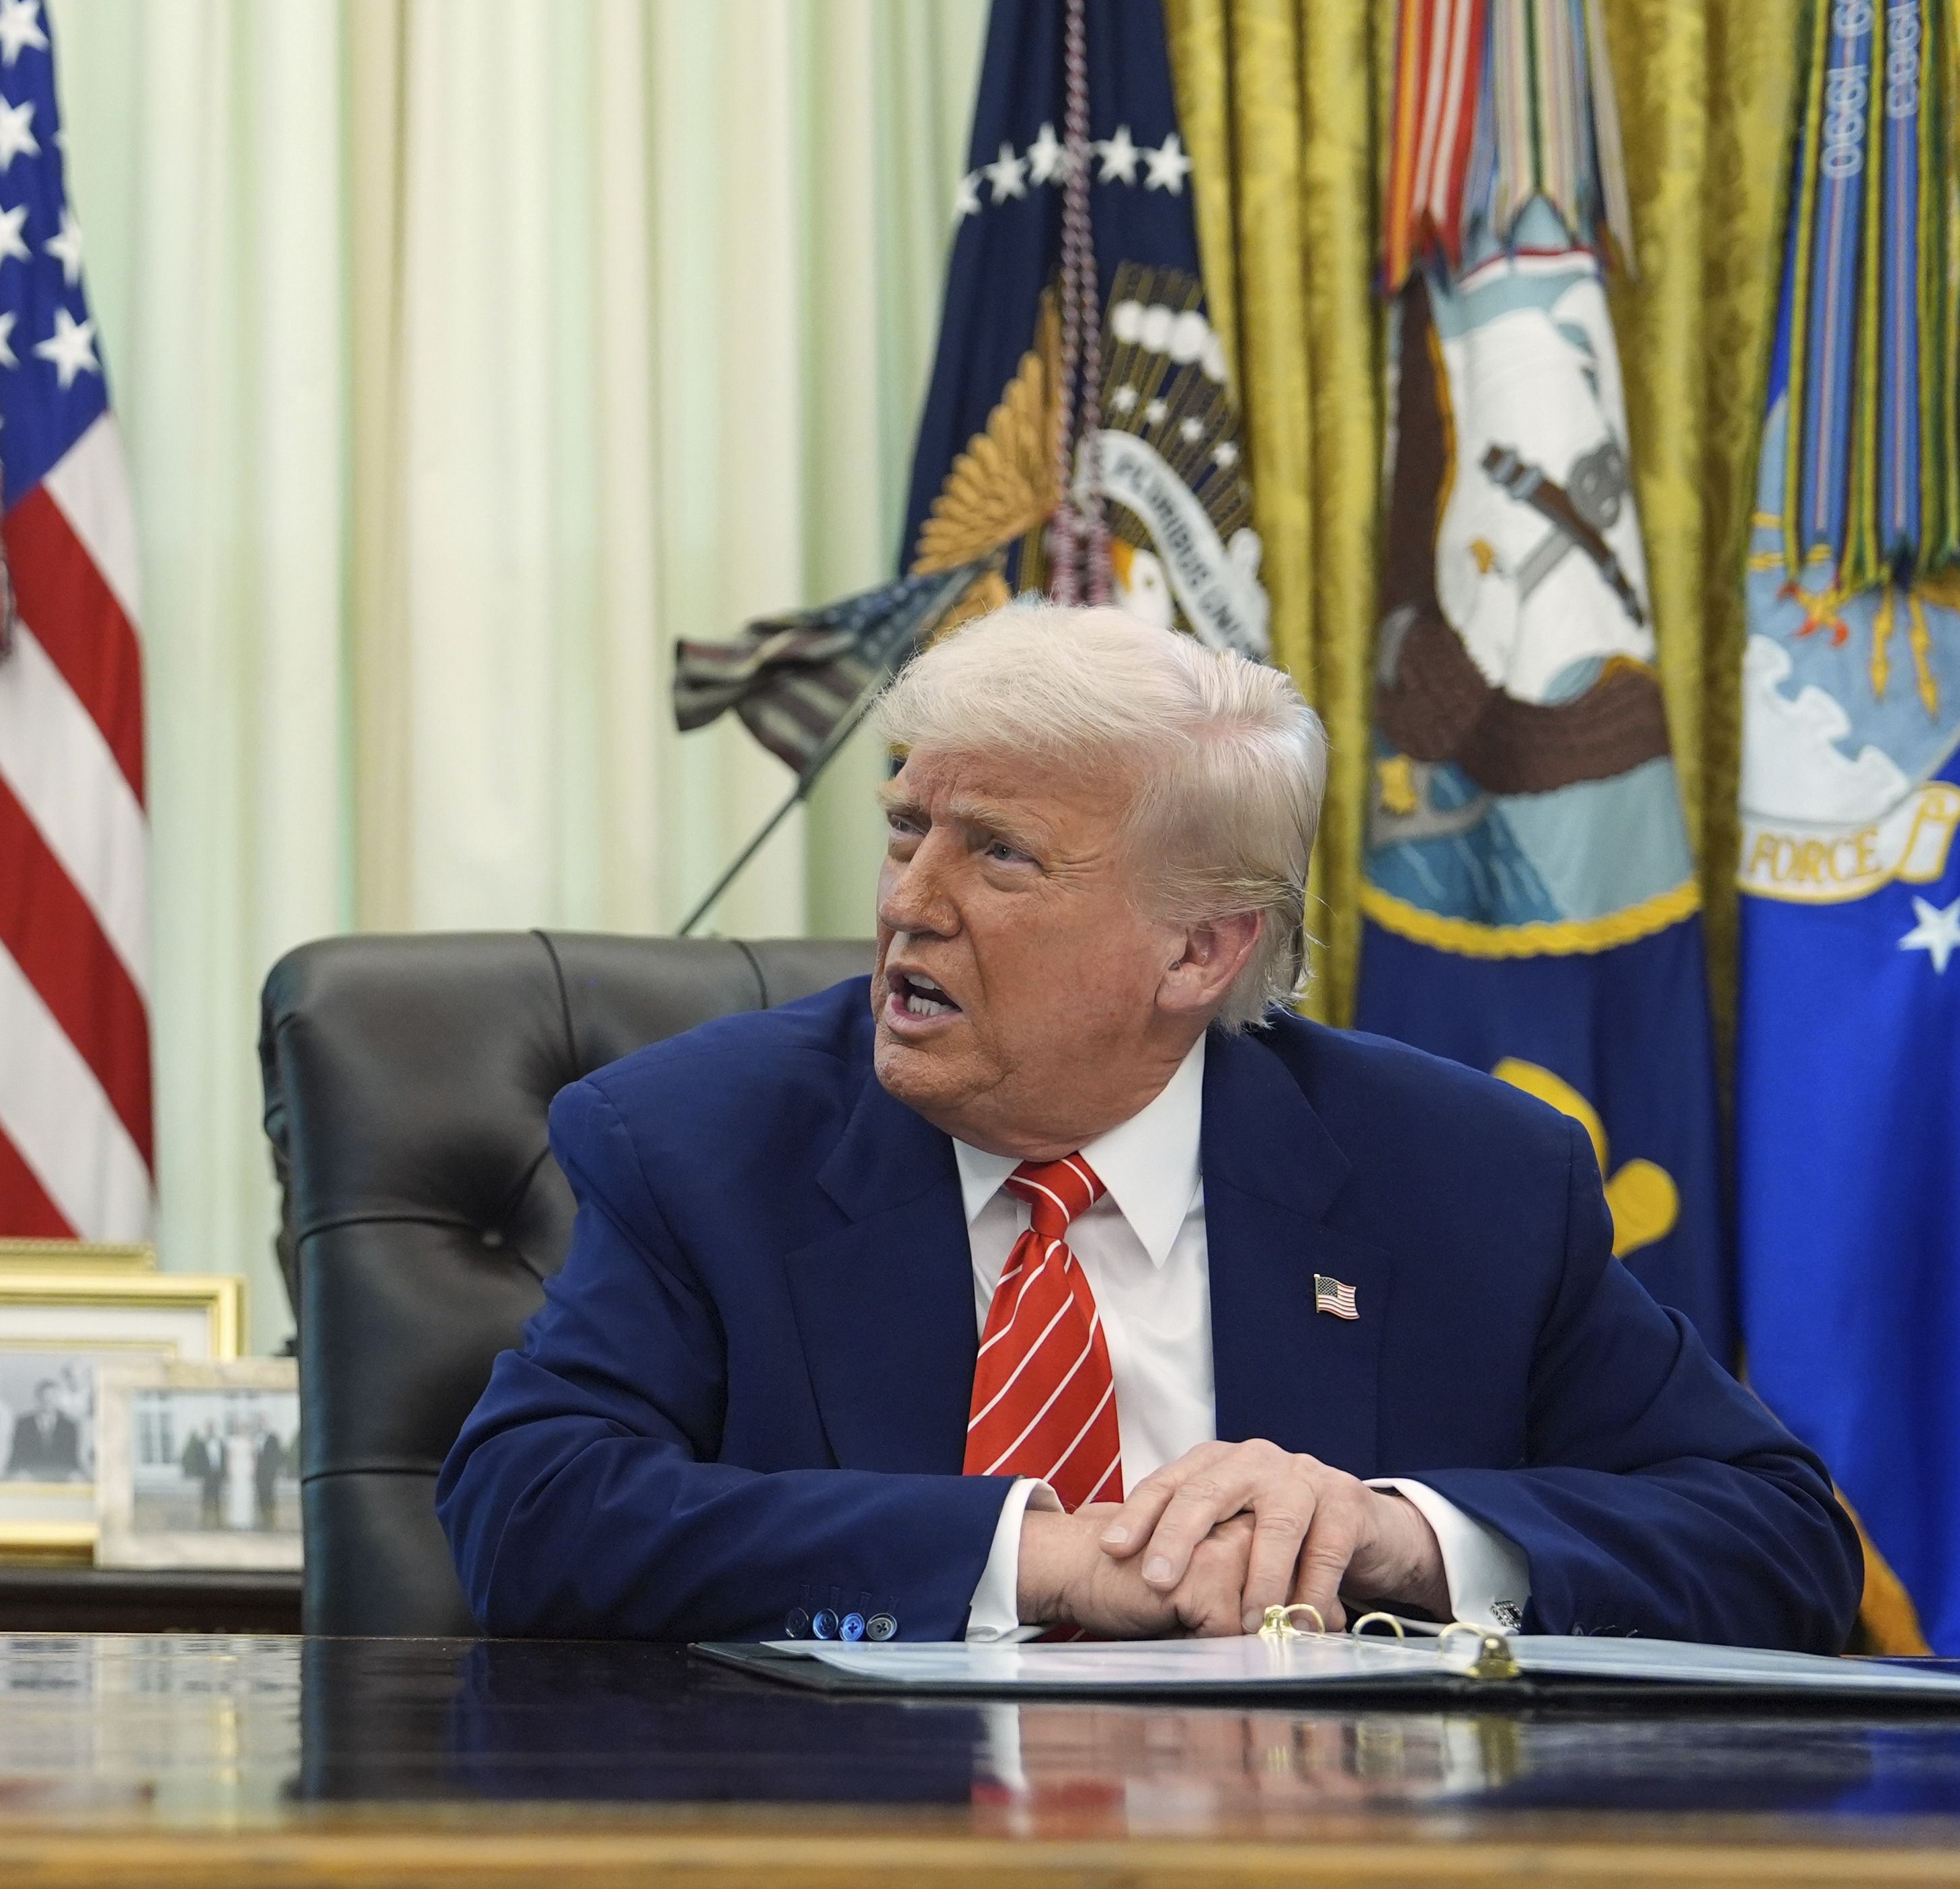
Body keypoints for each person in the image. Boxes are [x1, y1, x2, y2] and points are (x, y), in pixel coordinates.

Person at [437, 601, 1860, 1652]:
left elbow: (1778, 1536)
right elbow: (530, 1510)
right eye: (903, 826)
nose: (902, 903)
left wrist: (1392, 1535)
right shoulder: (697, 1142)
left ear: (1196, 952)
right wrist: (1031, 1557)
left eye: (993, 851)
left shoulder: (1465, 1178)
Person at [7, 1376, 88, 1481]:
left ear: (58, 1399)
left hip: (60, 1478)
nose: (48, 1401)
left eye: (53, 1397)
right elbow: (16, 1456)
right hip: (29, 1478)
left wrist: (73, 1474)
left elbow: (72, 1459)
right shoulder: (23, 1424)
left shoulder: (69, 1426)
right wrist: (20, 1473)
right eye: (45, 1397)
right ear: (38, 1399)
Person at [177, 1419, 227, 1528]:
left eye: (212, 1427)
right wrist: (201, 1476)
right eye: (209, 1427)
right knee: (205, 1500)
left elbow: (223, 1460)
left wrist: (224, 1475)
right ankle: (205, 1522)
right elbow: (198, 1461)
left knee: (218, 1499)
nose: (211, 1429)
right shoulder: (201, 1444)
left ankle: (219, 1523)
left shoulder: (220, 1442)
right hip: (206, 1475)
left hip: (217, 1475)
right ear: (207, 1429)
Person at [251, 1417, 288, 1533]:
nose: (261, 1424)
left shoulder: (273, 1437)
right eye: (259, 1422)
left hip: (269, 1472)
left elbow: (278, 1454)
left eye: (262, 1422)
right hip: (259, 1473)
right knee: (261, 1495)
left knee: (270, 1494)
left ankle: (271, 1521)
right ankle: (262, 1520)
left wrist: (274, 1469)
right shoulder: (254, 1437)